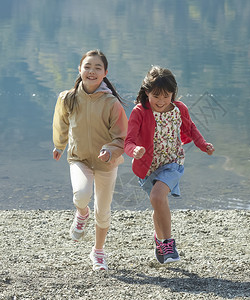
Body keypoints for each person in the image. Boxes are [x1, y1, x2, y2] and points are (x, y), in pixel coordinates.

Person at [125, 66, 215, 264]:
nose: (161, 101)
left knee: (158, 196)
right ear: (147, 92)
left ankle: (168, 243)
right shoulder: (140, 112)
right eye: (156, 95)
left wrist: (203, 145)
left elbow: (190, 128)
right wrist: (135, 151)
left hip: (172, 162)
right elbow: (128, 140)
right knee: (158, 202)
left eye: (166, 95)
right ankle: (159, 241)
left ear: (173, 93)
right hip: (146, 167)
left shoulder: (179, 108)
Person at [52, 49, 128, 271]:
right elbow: (61, 123)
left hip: (106, 163)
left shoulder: (111, 103)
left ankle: (98, 252)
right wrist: (59, 144)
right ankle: (81, 213)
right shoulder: (68, 98)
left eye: (97, 68)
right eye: (87, 66)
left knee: (103, 211)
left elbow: (122, 136)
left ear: (105, 73)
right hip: (79, 158)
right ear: (80, 69)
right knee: (82, 194)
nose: (92, 71)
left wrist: (110, 149)